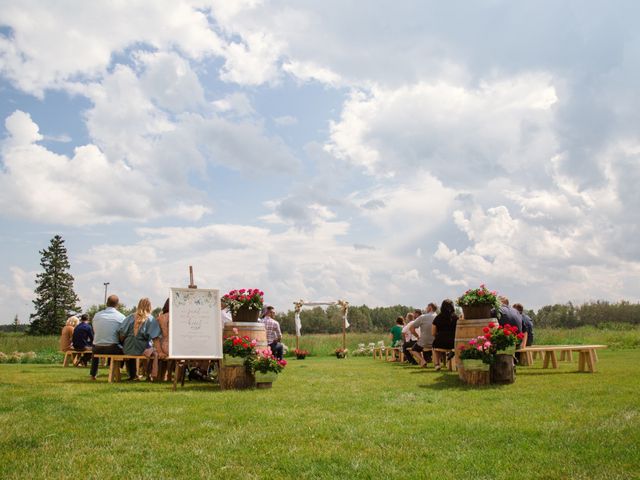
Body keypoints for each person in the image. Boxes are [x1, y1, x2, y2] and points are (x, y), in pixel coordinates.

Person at [118, 298, 161, 381]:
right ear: (149, 306)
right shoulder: (151, 319)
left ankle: (132, 375)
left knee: (131, 353)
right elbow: (155, 336)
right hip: (142, 348)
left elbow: (122, 332)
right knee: (151, 350)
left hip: (128, 347)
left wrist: (124, 343)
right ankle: (148, 375)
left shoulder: (130, 317)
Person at [90, 295, 126, 380]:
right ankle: (118, 371)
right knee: (125, 349)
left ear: (106, 303)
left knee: (95, 349)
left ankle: (93, 374)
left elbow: (95, 331)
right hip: (112, 348)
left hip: (96, 348)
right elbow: (122, 335)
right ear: (118, 304)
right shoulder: (121, 317)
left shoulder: (97, 315)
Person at [432, 299, 459, 371]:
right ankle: (451, 355)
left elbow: (433, 333)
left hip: (440, 341)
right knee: (438, 344)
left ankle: (437, 365)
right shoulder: (456, 317)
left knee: (435, 348)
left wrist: (437, 337)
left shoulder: (438, 318)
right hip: (453, 342)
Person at [409, 303, 438, 367]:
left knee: (413, 349)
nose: (426, 308)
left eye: (427, 307)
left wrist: (417, 336)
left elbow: (411, 328)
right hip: (436, 342)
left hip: (424, 342)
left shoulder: (422, 317)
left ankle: (422, 360)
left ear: (430, 307)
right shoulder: (438, 317)